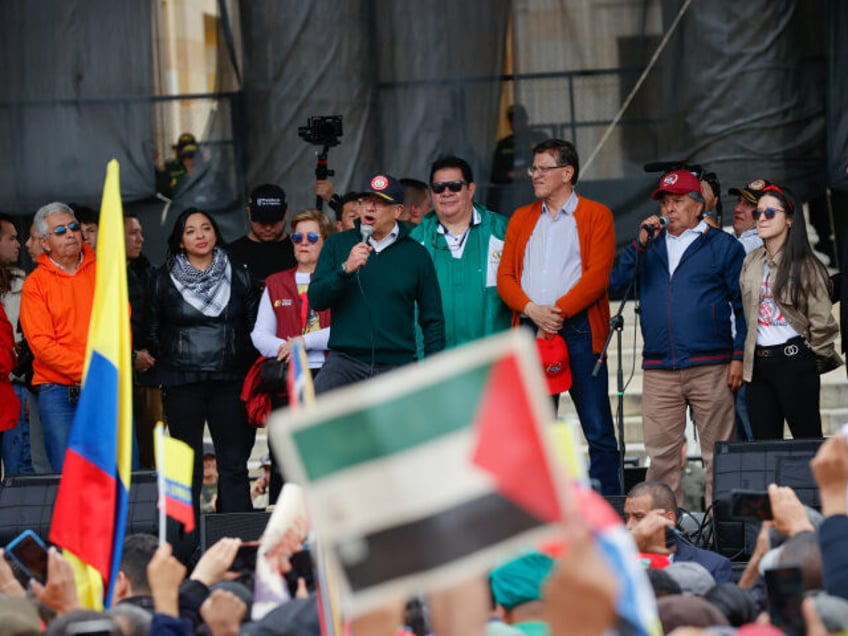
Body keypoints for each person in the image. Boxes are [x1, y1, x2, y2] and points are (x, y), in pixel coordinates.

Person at [609, 169, 745, 506]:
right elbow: (616, 284)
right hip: (659, 368)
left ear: (699, 206)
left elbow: (743, 306)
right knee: (662, 459)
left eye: (678, 201)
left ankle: (721, 534)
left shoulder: (723, 245)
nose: (670, 208)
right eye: (665, 202)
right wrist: (637, 244)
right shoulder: (649, 246)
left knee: (719, 455)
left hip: (711, 364)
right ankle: (664, 533)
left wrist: (738, 355)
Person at [497, 139, 620, 496]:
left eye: (542, 168)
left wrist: (557, 313)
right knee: (535, 429)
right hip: (531, 327)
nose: (534, 175)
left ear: (567, 173)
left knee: (597, 429)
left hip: (579, 328)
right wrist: (532, 310)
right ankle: (540, 512)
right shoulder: (522, 218)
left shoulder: (597, 215)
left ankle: (610, 510)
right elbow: (505, 278)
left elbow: (598, 276)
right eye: (533, 169)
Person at [148, 207, 259, 517]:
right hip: (183, 382)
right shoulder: (162, 278)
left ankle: (237, 540)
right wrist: (172, 357)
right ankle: (185, 546)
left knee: (233, 463)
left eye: (206, 228)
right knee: (186, 467)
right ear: (180, 240)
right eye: (191, 230)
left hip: (230, 380)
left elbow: (254, 328)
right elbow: (151, 328)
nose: (200, 235)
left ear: (215, 233)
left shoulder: (239, 274)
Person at [308, 173, 445, 393]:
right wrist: (344, 269)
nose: (370, 208)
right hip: (345, 362)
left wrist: (432, 370)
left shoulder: (417, 254)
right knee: (311, 415)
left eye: (379, 202)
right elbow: (316, 299)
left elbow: (433, 320)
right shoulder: (337, 244)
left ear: (398, 211)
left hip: (396, 365)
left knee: (406, 425)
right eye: (365, 201)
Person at [739, 183, 841, 439]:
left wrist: (806, 362)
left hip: (794, 359)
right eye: (758, 213)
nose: (761, 218)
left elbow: (822, 323)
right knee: (764, 447)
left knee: (806, 442)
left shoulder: (806, 265)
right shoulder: (751, 261)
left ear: (789, 219)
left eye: (770, 213)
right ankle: (774, 484)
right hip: (758, 365)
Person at [250, 208, 333, 501]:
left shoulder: (337, 279)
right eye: (298, 237)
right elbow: (259, 335)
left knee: (324, 456)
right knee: (283, 458)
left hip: (327, 376)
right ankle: (282, 530)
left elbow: (344, 331)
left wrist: (302, 342)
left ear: (326, 241)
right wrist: (287, 348)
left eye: (312, 237)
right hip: (286, 378)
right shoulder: (275, 282)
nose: (303, 242)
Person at [20, 202, 96, 472]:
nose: (71, 234)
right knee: (68, 478)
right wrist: (88, 369)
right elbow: (41, 345)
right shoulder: (35, 285)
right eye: (61, 230)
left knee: (114, 473)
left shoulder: (104, 271)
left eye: (74, 227)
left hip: (104, 387)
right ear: (44, 242)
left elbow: (121, 325)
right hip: (58, 393)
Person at [410, 155, 511, 348]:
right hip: (434, 361)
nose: (446, 193)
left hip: (492, 360)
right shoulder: (416, 240)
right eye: (439, 188)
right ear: (431, 193)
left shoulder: (502, 231)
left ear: (470, 189)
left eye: (455, 186)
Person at [623, 480, 733, 584]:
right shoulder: (618, 563)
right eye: (627, 517)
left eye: (639, 517)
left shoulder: (712, 566)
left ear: (669, 519)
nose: (629, 526)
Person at [125, 213, 162, 469]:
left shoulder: (147, 271)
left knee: (152, 452)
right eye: (132, 233)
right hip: (119, 375)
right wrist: (130, 357)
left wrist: (149, 355)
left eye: (140, 231)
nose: (141, 238)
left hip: (149, 373)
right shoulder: (103, 274)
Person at [0, 214, 31, 475]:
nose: (19, 244)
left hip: (15, 390)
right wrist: (9, 353)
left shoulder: (22, 282)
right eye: (11, 238)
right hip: (6, 388)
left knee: (20, 469)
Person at [227, 183, 296, 283]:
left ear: (286, 213)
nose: (268, 228)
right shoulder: (230, 255)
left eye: (274, 221)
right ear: (249, 213)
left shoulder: (301, 249)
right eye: (261, 221)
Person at [490, 104, 547, 184]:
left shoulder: (539, 138)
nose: (516, 122)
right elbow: (494, 174)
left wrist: (528, 172)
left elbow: (549, 165)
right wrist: (509, 175)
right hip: (510, 190)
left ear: (526, 119)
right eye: (513, 120)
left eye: (519, 118)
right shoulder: (503, 144)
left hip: (535, 187)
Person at [156, 132, 198, 198]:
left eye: (190, 152)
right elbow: (163, 190)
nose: (186, 153)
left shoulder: (203, 167)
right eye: (182, 149)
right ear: (178, 150)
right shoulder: (169, 167)